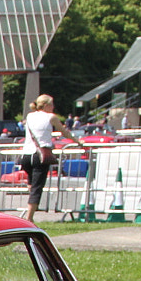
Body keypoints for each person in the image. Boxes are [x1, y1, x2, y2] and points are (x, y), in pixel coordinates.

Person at [20, 94, 85, 223]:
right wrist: (77, 141)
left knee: (32, 184)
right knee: (37, 188)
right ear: (46, 105)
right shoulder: (51, 117)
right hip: (41, 156)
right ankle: (29, 218)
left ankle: (30, 209)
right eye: (52, 104)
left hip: (26, 155)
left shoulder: (30, 116)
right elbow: (64, 132)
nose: (53, 107)